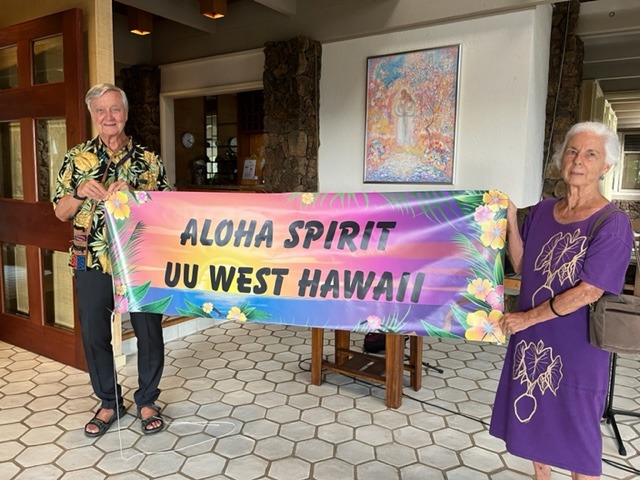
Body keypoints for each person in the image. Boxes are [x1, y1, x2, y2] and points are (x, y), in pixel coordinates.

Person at [490, 121, 633, 479]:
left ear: (607, 167)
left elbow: (590, 290)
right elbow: (525, 266)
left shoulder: (612, 223)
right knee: (536, 428)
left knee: (575, 434)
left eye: (590, 154)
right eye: (572, 151)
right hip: (533, 341)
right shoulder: (542, 211)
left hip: (576, 347)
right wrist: (510, 220)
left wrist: (525, 319)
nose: (578, 160)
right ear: (560, 159)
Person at [53, 83, 172, 437]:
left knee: (149, 331)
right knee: (93, 333)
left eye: (115, 109)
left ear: (125, 113)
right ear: (92, 115)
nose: (109, 117)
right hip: (90, 258)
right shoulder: (77, 159)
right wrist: (78, 192)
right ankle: (109, 402)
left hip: (140, 260)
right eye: (101, 110)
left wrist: (136, 196)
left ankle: (148, 399)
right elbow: (61, 212)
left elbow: (167, 211)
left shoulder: (148, 160)